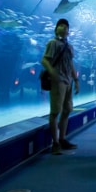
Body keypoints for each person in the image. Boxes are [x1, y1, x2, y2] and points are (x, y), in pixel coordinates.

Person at [41, 18, 80, 155]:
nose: (63, 28)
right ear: (56, 29)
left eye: (66, 26)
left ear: (69, 31)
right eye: (60, 25)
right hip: (57, 82)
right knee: (55, 111)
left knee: (67, 109)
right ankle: (55, 143)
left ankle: (62, 139)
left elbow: (71, 64)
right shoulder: (53, 43)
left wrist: (76, 80)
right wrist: (52, 72)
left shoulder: (70, 47)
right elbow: (44, 60)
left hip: (68, 81)